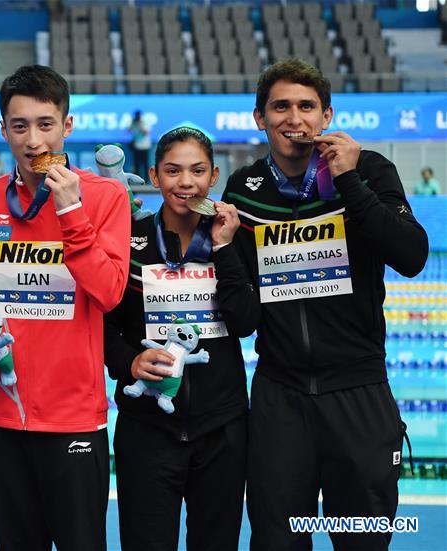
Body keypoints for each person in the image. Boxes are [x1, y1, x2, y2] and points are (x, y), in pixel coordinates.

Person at [222, 58, 428, 550]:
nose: (294, 118)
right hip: (280, 396)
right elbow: (243, 314)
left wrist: (351, 181)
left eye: (306, 106)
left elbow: (412, 255)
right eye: (281, 106)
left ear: (327, 116)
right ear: (260, 118)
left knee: (362, 539)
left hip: (358, 391)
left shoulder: (370, 169)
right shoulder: (245, 191)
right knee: (278, 540)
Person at [0, 65, 131, 550]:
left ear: (67, 126)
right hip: (5, 416)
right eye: (20, 126)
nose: (33, 139)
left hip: (75, 419)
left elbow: (109, 293)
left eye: (45, 124)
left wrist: (70, 212)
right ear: (3, 130)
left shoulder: (104, 197)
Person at [104, 127, 254, 550]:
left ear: (214, 176)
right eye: (172, 171)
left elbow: (245, 320)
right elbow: (102, 323)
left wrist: (223, 249)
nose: (185, 182)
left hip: (222, 428)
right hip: (147, 429)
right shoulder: (130, 241)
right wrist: (129, 361)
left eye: (197, 171)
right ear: (154, 176)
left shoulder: (233, 239)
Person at [129, 109, 151, 178]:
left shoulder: (144, 122)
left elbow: (145, 132)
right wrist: (133, 123)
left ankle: (147, 180)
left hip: (144, 146)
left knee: (145, 164)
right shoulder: (134, 122)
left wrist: (140, 124)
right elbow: (129, 130)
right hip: (137, 146)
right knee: (137, 164)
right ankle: (137, 179)